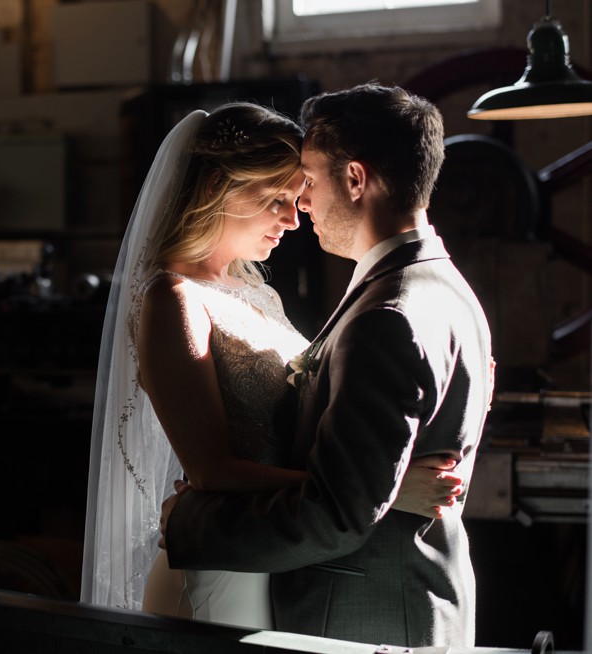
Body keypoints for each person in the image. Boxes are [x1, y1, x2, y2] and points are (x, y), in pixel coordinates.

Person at [80, 101, 463, 630]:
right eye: (274, 199)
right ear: (216, 186)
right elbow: (212, 469)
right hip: (217, 576)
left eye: (297, 196)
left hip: (269, 560)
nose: (292, 217)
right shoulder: (173, 299)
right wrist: (389, 493)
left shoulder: (257, 292)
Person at [159, 83, 493, 648]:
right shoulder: (448, 289)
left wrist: (188, 525)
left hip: (366, 618)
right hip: (410, 597)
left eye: (309, 182)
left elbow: (338, 513)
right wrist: (389, 493)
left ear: (356, 179)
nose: (301, 205)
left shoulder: (388, 315)